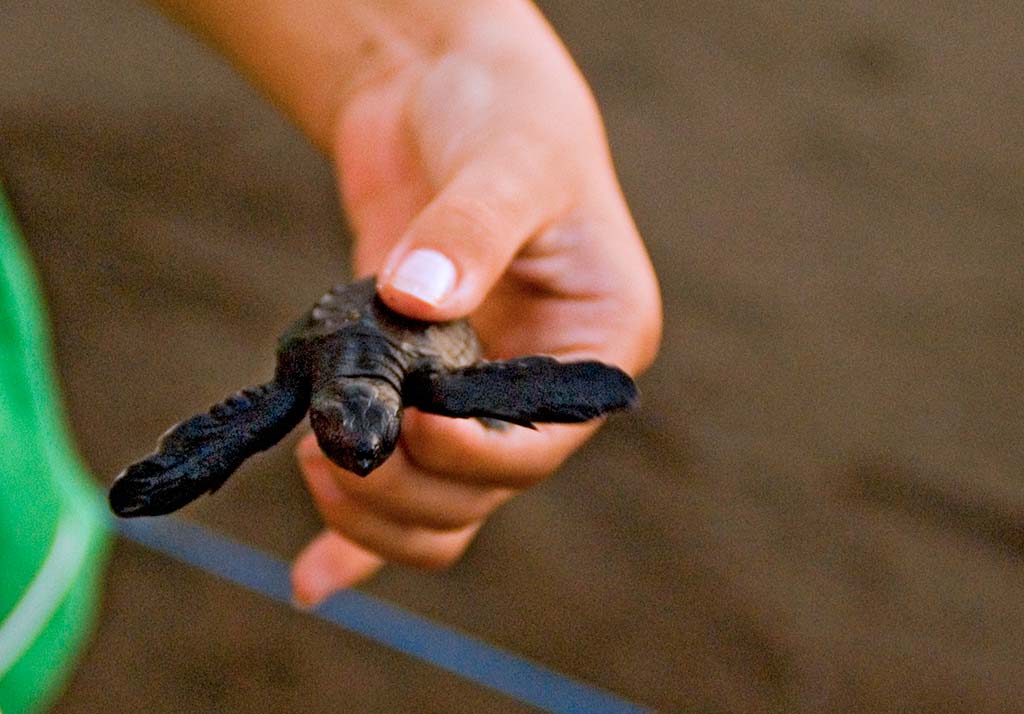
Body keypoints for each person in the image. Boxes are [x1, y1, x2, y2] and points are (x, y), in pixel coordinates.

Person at [158, 0, 663, 605]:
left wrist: (441, 52)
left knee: (463, 428)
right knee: (466, 416)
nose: (365, 457)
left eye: (373, 440)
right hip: (408, 339)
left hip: (410, 337)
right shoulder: (389, 384)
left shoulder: (337, 382)